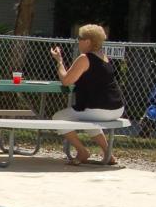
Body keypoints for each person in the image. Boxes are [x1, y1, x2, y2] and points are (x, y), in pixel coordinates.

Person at [49, 23, 126, 166]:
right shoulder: (104, 56)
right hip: (116, 108)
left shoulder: (84, 58)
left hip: (100, 109)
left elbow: (66, 81)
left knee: (58, 117)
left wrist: (59, 61)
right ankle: (109, 154)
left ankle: (82, 151)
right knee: (89, 119)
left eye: (80, 38)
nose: (78, 41)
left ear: (88, 41)